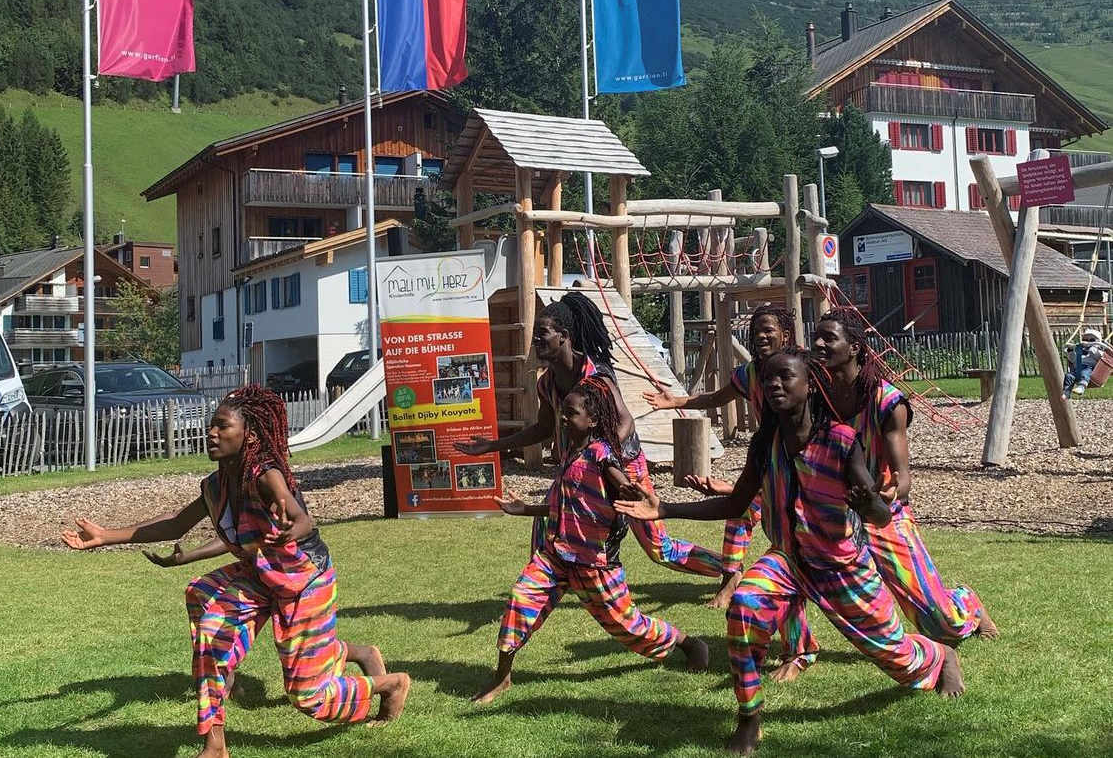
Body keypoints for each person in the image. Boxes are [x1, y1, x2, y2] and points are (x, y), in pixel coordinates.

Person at [617, 347, 963, 756]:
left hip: (841, 567)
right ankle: (749, 719)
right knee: (743, 607)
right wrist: (666, 508)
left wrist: (869, 504)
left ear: (810, 384)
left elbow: (881, 516)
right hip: (788, 560)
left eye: (785, 377)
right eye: (768, 380)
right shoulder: (766, 443)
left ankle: (939, 655)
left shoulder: (841, 441)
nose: (774, 384)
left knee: (895, 656)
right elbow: (734, 504)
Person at [62, 384, 410, 758]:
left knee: (308, 697)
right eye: (212, 426)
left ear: (251, 434)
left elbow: (300, 518)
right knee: (205, 609)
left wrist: (291, 529)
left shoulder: (265, 475)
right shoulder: (217, 484)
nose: (212, 432)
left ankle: (389, 683)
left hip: (302, 579)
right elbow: (177, 523)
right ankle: (215, 745)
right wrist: (106, 536)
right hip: (258, 573)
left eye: (223, 426)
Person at [456, 290, 723, 578]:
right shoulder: (546, 384)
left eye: (542, 333)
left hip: (622, 464)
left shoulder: (596, 375)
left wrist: (597, 456)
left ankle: (728, 566)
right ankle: (537, 585)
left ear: (564, 336)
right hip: (578, 465)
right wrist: (492, 446)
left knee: (659, 548)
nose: (535, 339)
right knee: (546, 524)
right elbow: (543, 429)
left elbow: (626, 423)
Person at [472, 381, 710, 705]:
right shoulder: (570, 451)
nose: (563, 420)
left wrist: (629, 490)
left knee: (629, 626)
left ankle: (686, 642)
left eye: (571, 414)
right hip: (556, 557)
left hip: (594, 566)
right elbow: (565, 503)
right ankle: (502, 677)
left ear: (593, 420)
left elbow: (619, 479)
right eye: (562, 414)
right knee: (520, 599)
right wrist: (526, 509)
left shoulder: (601, 453)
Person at [644, 304, 818, 679]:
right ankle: (792, 643)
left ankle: (957, 615)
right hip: (770, 465)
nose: (761, 335)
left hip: (809, 480)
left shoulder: (807, 372)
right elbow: (717, 397)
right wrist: (676, 402)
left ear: (786, 334)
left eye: (768, 329)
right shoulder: (750, 374)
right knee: (776, 548)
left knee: (878, 607)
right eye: (756, 330)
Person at [812, 309, 997, 644]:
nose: (819, 344)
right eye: (816, 337)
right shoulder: (815, 397)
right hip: (835, 514)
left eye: (829, 338)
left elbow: (902, 474)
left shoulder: (886, 401)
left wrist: (891, 494)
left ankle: (967, 603)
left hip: (884, 512)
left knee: (941, 625)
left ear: (854, 347)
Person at [1063, 327, 1105, 398]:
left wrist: (1090, 347)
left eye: (1092, 340)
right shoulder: (1080, 352)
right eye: (1085, 340)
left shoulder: (1099, 352)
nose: (1088, 342)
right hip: (1076, 370)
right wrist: (1071, 350)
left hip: (1089, 369)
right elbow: (1072, 359)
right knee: (1068, 376)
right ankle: (1066, 392)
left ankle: (1081, 387)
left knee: (1085, 373)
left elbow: (1098, 357)